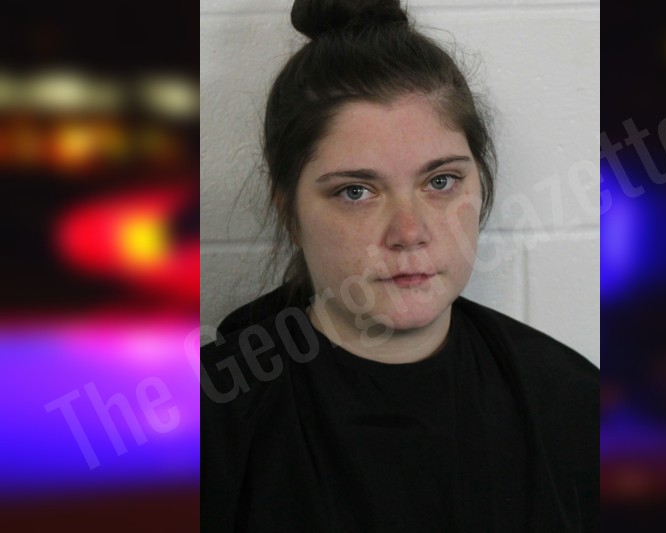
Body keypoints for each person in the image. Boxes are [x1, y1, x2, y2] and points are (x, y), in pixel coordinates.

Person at [201, 0, 598, 531]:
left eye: (441, 182)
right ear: (289, 213)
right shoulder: (202, 426)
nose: (409, 233)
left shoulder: (574, 404)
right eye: (356, 191)